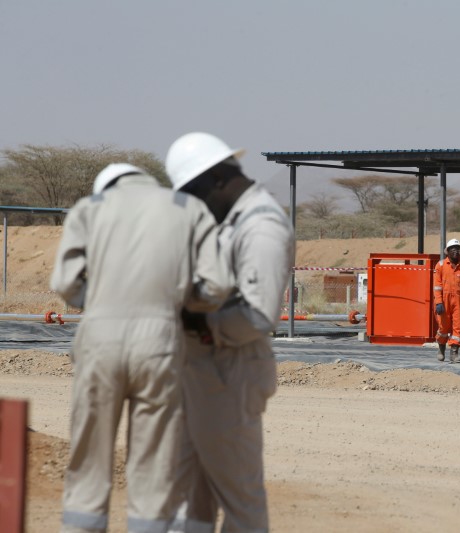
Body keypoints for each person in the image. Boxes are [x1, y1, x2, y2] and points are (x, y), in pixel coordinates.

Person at [51, 163, 232, 533]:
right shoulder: (187, 208)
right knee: (153, 460)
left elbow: (65, 282)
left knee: (90, 452)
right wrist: (180, 302)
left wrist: (100, 300)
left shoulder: (89, 208)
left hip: (99, 339)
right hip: (161, 339)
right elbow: (216, 286)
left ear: (109, 186)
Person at [165, 132, 295, 533]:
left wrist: (195, 321)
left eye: (195, 193)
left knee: (240, 499)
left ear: (217, 178)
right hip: (206, 371)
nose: (195, 204)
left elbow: (257, 315)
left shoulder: (263, 227)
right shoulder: (234, 220)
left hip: (230, 375)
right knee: (191, 495)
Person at [433, 238, 460, 363]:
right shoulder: (440, 266)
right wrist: (439, 302)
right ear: (448, 251)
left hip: (459, 301)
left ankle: (454, 353)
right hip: (444, 301)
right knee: (443, 327)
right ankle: (441, 347)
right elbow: (437, 286)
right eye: (453, 249)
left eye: (457, 249)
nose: (455, 251)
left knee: (458, 328)